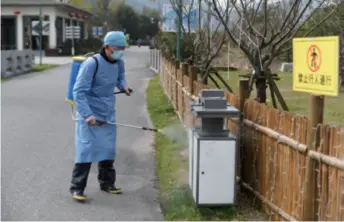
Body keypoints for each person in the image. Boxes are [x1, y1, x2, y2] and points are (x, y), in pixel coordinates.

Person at [69, 31, 132, 201]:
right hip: (88, 110)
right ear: (107, 47)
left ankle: (107, 183)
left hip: (107, 111)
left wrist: (124, 86)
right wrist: (87, 115)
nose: (120, 51)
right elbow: (78, 91)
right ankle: (77, 188)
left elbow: (121, 78)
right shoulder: (92, 63)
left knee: (108, 148)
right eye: (117, 48)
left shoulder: (119, 62)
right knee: (86, 149)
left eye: (123, 48)